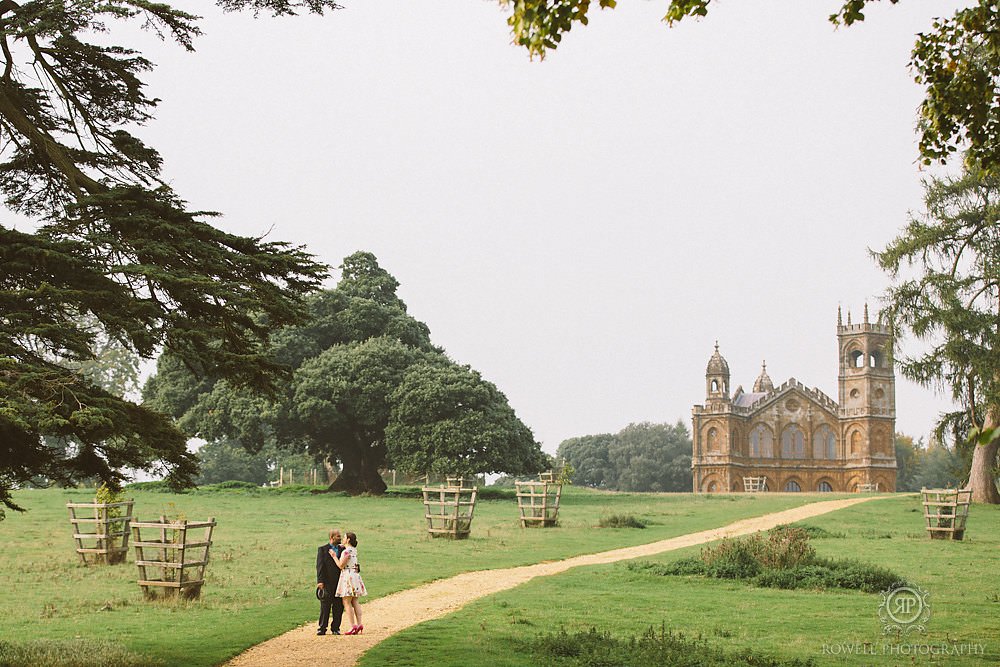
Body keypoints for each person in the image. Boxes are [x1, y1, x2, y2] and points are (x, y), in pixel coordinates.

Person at [335, 531, 367, 635]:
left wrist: (333, 556)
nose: (342, 539)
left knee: (347, 602)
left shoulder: (346, 552)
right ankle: (359, 624)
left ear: (348, 539)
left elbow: (341, 565)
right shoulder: (354, 550)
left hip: (347, 576)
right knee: (355, 601)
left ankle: (352, 625)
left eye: (344, 538)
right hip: (355, 576)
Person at [315, 528, 345, 635]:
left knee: (338, 606)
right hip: (327, 582)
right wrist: (320, 581)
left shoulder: (343, 549)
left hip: (341, 582)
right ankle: (322, 628)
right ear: (332, 537)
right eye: (338, 536)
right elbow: (319, 566)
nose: (340, 538)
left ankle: (336, 628)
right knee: (325, 606)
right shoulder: (322, 550)